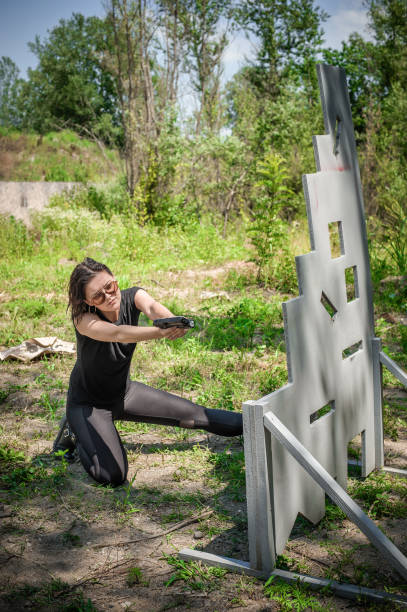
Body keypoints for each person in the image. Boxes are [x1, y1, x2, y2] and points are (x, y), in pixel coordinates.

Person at [53, 257, 243, 486]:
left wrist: (169, 321)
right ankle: (74, 430)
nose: (108, 296)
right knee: (112, 475)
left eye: (110, 287)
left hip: (124, 394)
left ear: (115, 280)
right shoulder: (83, 319)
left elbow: (153, 307)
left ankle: (262, 422)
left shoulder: (132, 295)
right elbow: (118, 333)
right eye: (98, 296)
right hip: (88, 404)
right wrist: (158, 333)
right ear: (87, 300)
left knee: (215, 420)